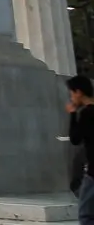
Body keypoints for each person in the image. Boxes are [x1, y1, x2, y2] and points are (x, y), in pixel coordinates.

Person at [67, 74, 94, 224]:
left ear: (78, 92)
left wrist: (72, 114)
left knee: (86, 216)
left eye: (71, 93)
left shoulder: (87, 113)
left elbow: (75, 139)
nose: (71, 97)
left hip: (93, 172)